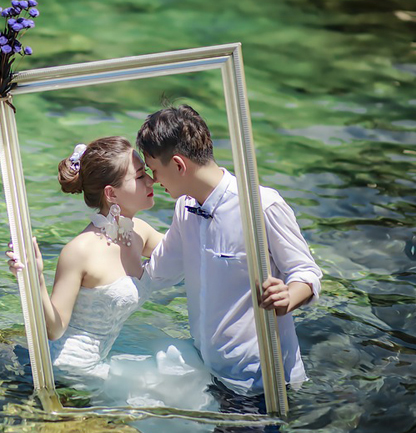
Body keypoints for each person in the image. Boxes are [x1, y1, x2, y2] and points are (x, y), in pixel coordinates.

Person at [7, 136, 214, 412]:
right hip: (69, 372)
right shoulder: (79, 251)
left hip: (104, 359)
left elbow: (190, 253)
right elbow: (54, 329)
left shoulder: (138, 232)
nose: (151, 181)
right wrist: (35, 281)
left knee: (190, 376)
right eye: (140, 176)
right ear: (111, 194)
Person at [135, 104, 323, 397]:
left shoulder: (262, 205)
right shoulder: (184, 208)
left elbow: (306, 272)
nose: (154, 180)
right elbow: (160, 271)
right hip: (209, 373)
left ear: (179, 165)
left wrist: (289, 296)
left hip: (262, 385)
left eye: (155, 170)